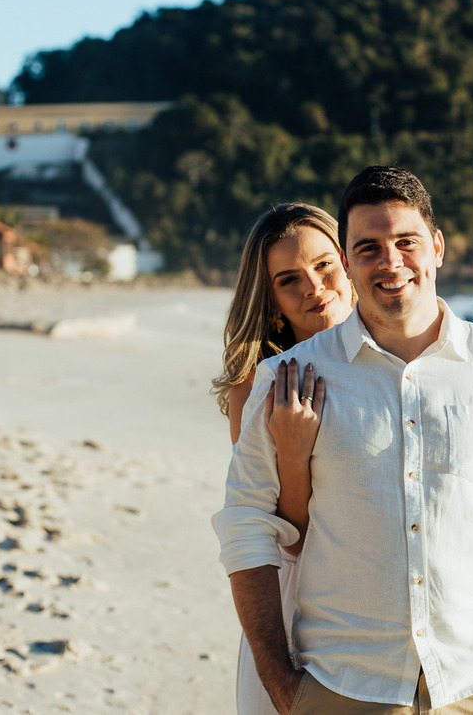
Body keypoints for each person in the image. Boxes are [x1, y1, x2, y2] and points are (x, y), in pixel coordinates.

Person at [214, 167, 473, 714]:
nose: (390, 261)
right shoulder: (284, 381)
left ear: (436, 247)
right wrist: (281, 683)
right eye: (368, 248)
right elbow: (249, 527)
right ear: (351, 262)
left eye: (406, 242)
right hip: (340, 685)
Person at [211, 202, 355, 715]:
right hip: (298, 606)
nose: (315, 287)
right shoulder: (258, 386)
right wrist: (294, 454)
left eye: (324, 266)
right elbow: (283, 535)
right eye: (289, 279)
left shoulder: (395, 363)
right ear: (272, 301)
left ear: (348, 263)